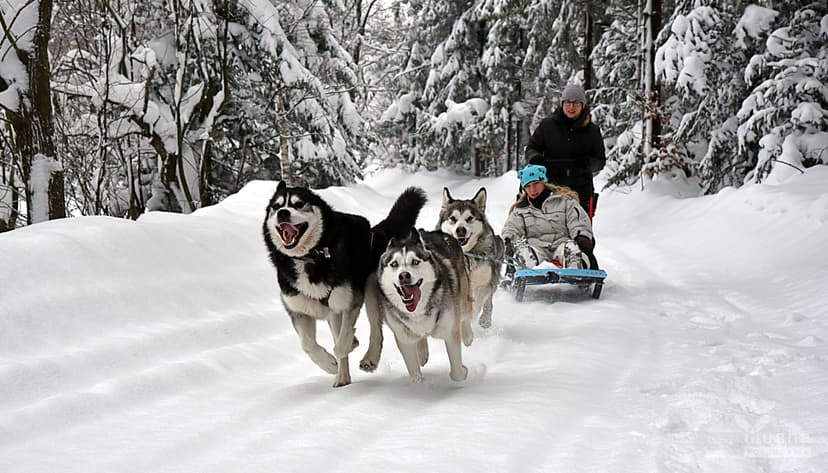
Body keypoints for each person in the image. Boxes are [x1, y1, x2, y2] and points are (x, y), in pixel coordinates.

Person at [525, 83, 606, 216]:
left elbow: (600, 160)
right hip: (550, 187)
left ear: (583, 105)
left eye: (576, 103)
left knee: (581, 232)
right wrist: (535, 159)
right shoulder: (547, 125)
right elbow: (531, 148)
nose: (571, 107)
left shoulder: (592, 131)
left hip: (581, 189)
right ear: (562, 104)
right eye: (568, 102)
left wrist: (587, 164)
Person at [502, 164, 596, 270]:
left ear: (543, 182)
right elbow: (512, 228)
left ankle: (576, 267)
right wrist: (509, 241)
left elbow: (578, 221)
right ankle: (527, 266)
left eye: (536, 183)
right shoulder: (520, 210)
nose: (532, 190)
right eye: (528, 186)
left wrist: (582, 237)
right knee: (526, 253)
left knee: (571, 249)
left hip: (562, 244)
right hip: (536, 247)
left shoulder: (564, 201)